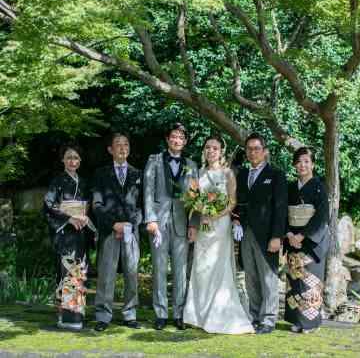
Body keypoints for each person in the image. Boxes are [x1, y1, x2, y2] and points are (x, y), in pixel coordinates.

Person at [183, 136, 255, 334]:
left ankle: (218, 314)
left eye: (215, 148)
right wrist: (198, 218)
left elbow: (232, 202)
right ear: (204, 150)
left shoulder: (228, 174)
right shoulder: (197, 173)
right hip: (203, 226)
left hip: (220, 225)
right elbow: (192, 201)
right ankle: (198, 315)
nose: (211, 151)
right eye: (208, 147)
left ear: (221, 151)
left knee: (218, 267)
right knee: (201, 268)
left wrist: (215, 214)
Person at [143, 123, 198, 330]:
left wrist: (193, 224)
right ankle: (160, 314)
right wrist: (150, 218)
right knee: (158, 268)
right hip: (158, 222)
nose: (176, 140)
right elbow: (147, 191)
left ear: (184, 142)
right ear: (168, 139)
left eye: (180, 137)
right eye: (173, 136)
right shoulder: (154, 160)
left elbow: (195, 198)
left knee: (180, 270)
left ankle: (179, 314)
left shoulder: (192, 165)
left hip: (182, 223)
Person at [233, 133, 287, 334]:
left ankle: (268, 319)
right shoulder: (242, 174)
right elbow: (238, 202)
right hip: (246, 233)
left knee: (268, 278)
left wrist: (277, 236)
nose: (253, 152)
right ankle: (255, 317)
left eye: (257, 148)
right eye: (249, 149)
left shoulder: (276, 175)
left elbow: (280, 208)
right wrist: (236, 219)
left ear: (265, 151)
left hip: (267, 235)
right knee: (251, 277)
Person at [93, 133, 142, 332]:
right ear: (110, 150)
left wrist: (130, 224)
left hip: (131, 231)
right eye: (118, 145)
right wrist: (114, 224)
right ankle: (103, 315)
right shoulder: (101, 174)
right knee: (106, 274)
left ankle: (130, 314)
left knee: (131, 273)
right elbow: (96, 205)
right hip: (109, 230)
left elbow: (143, 205)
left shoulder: (137, 174)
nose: (122, 148)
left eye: (125, 144)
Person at [44, 144, 94, 331]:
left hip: (80, 232)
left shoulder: (85, 183)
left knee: (80, 271)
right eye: (69, 157)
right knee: (66, 272)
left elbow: (89, 205)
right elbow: (49, 205)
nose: (73, 161)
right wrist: (69, 218)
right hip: (65, 233)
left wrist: (84, 217)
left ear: (80, 161)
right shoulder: (57, 181)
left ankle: (77, 314)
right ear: (63, 160)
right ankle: (65, 316)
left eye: (76, 158)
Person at [284, 147, 330, 333]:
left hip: (310, 242)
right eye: (298, 161)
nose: (302, 165)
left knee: (310, 282)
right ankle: (297, 321)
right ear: (295, 164)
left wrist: (302, 236)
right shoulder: (290, 187)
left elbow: (322, 216)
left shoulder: (319, 186)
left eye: (306, 161)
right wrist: (288, 234)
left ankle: (310, 323)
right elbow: (282, 213)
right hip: (292, 239)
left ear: (313, 164)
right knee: (295, 282)